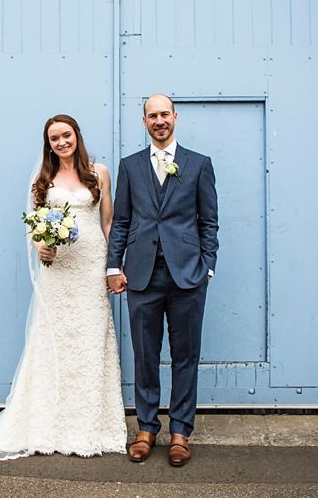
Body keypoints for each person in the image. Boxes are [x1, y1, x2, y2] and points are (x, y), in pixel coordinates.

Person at [0, 114, 127, 465]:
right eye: (54, 139)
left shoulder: (99, 172)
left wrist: (114, 266)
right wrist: (41, 245)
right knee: (54, 341)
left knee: (91, 342)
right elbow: (34, 226)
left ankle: (91, 426)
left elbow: (108, 221)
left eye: (66, 135)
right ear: (48, 145)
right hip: (58, 271)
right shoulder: (42, 178)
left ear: (77, 135)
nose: (61, 142)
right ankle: (50, 426)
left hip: (91, 267)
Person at [106, 94, 219, 467]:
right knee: (145, 355)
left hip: (187, 276)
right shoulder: (131, 166)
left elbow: (208, 221)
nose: (159, 120)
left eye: (164, 114)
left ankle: (181, 432)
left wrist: (207, 264)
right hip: (141, 276)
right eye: (152, 115)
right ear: (144, 122)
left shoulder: (198, 164)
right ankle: (146, 429)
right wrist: (113, 266)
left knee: (185, 356)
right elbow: (121, 220)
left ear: (175, 117)